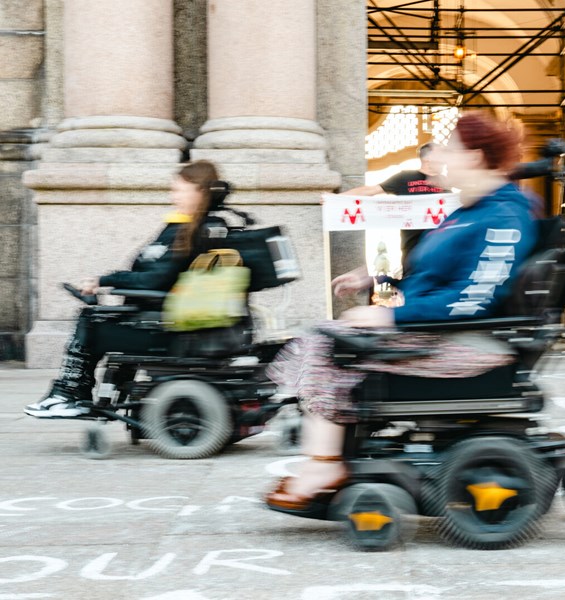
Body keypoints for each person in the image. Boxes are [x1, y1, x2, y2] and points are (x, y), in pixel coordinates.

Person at [265, 113, 537, 512]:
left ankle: (323, 465)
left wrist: (390, 316)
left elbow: (473, 297)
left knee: (326, 343)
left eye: (453, 148)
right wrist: (375, 279)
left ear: (476, 157)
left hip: (466, 343)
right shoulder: (470, 210)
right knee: (329, 334)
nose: (443, 154)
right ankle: (329, 450)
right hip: (437, 330)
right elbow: (428, 272)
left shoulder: (502, 217)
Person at [24, 161, 229, 418]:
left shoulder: (193, 231)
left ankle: (69, 393)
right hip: (168, 319)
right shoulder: (189, 227)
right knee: (101, 316)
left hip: (167, 327)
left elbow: (154, 280)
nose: (172, 195)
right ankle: (76, 394)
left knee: (92, 320)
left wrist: (105, 281)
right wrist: (106, 280)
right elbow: (148, 274)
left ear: (199, 191)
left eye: (179, 189)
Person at [340, 142, 446, 266]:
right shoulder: (405, 178)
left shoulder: (446, 181)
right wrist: (336, 198)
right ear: (428, 158)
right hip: (414, 251)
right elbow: (371, 190)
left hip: (442, 250)